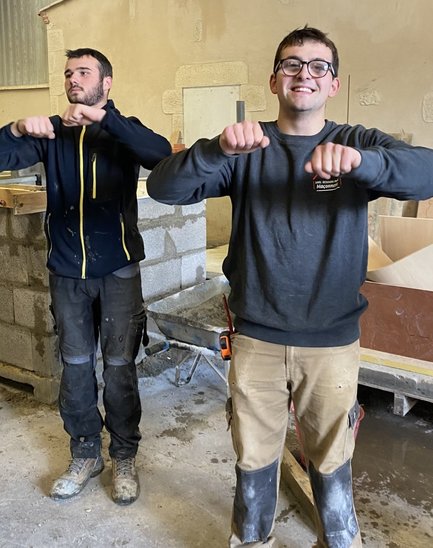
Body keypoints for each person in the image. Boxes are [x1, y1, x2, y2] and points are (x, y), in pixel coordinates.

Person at [146, 26, 433, 547]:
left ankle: (340, 539)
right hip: (257, 338)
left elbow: (428, 172)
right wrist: (214, 149)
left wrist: (361, 164)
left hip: (332, 340)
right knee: (254, 457)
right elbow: (163, 187)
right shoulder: (245, 146)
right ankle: (251, 538)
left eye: (318, 66)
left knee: (332, 455)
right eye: (292, 64)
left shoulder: (357, 143)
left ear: (333, 83)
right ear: (274, 80)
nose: (304, 73)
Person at [0, 48, 172, 505]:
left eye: (83, 72)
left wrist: (104, 120)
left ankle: (124, 455)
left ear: (106, 83)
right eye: (68, 73)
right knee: (75, 368)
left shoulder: (123, 131)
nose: (73, 79)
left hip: (117, 271)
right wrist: (16, 128)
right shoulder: (50, 135)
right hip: (66, 273)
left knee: (119, 368)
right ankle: (84, 453)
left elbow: (160, 154)